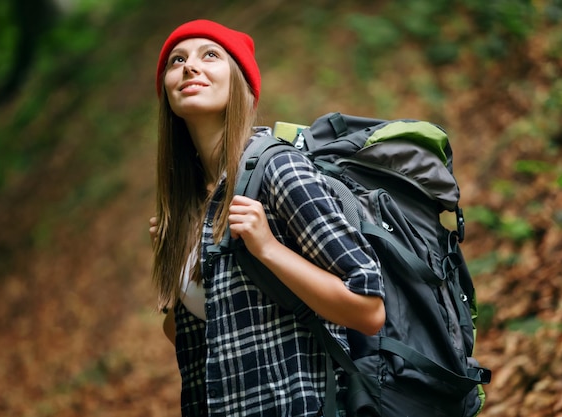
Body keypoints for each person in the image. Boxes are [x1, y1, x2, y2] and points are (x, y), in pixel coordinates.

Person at [149, 19, 385, 417]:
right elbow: (191, 336)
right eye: (177, 60)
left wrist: (269, 249)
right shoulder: (190, 207)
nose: (189, 66)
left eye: (210, 55)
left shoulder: (277, 169)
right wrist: (172, 265)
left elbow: (368, 309)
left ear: (240, 81)